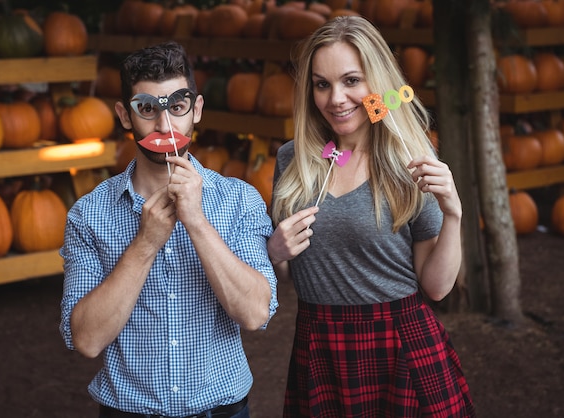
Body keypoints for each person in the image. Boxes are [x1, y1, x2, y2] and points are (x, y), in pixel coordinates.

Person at [267, 16, 476, 417]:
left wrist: (453, 214)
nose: (336, 99)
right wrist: (274, 252)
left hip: (399, 344)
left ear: (376, 83)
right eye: (322, 84)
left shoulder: (410, 161)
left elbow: (436, 288)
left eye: (351, 81)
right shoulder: (292, 162)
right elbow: (289, 272)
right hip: (319, 343)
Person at [59, 41, 278, 418]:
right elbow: (87, 340)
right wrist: (145, 243)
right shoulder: (88, 214)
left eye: (176, 108)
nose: (164, 126)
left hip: (222, 410)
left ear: (196, 110)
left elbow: (256, 312)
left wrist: (195, 220)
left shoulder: (240, 199)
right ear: (125, 116)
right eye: (147, 109)